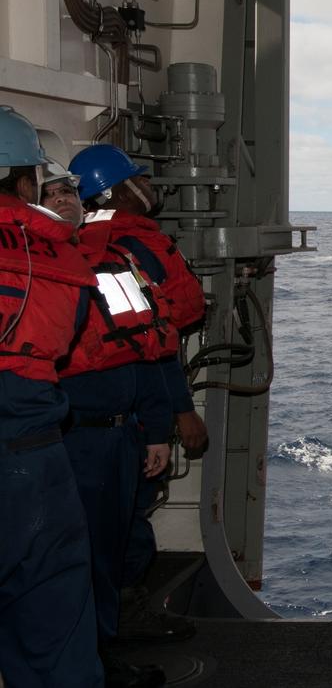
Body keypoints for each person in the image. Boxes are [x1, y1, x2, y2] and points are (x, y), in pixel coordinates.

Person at [68, 144, 207, 644]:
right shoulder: (127, 251)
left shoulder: (89, 245)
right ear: (113, 192)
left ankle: (113, 625)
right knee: (116, 528)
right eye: (138, 180)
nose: (149, 187)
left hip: (109, 417)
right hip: (108, 423)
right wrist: (178, 413)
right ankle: (111, 631)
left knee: (116, 525)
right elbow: (147, 345)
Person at [45, 153, 174, 688]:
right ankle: (86, 664)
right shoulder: (40, 267)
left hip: (121, 435)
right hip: (72, 438)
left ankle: (100, 657)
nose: (64, 201)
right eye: (52, 194)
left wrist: (157, 428)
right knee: (78, 559)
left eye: (68, 193)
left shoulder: (114, 261)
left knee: (108, 552)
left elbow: (144, 347)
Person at [0, 107, 103, 687]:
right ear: (26, 180)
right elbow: (66, 340)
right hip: (36, 455)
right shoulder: (63, 255)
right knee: (54, 621)